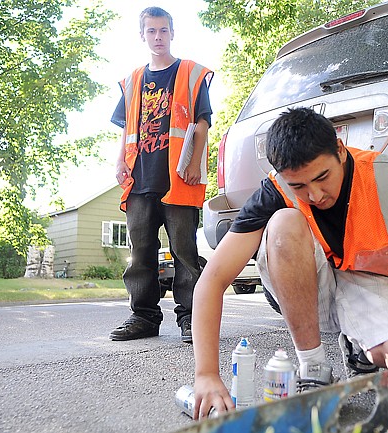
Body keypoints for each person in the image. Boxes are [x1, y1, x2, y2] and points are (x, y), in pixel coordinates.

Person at [191, 107, 388, 418]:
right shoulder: (274, 190)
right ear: (281, 176)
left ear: (340, 150)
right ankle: (314, 367)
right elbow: (212, 279)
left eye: (322, 177)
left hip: (369, 283)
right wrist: (206, 375)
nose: (315, 194)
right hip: (306, 291)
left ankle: (362, 351)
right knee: (283, 224)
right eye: (299, 186)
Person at [109, 6, 213, 343]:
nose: (158, 37)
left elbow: (201, 123)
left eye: (163, 31)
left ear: (172, 33)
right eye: (151, 31)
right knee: (140, 251)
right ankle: (143, 316)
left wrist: (196, 163)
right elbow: (125, 128)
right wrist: (118, 162)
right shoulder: (133, 80)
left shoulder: (190, 73)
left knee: (184, 249)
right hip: (140, 177)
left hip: (179, 178)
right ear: (143, 35)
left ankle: (190, 318)